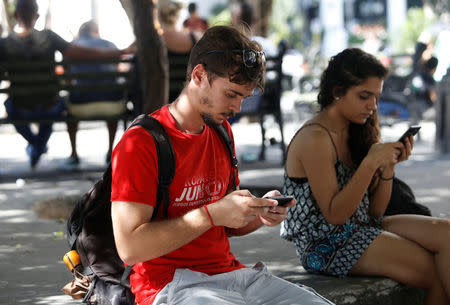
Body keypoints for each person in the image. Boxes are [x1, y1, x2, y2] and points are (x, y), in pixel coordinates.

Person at [110, 25, 334, 305]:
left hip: (236, 277)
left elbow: (224, 224)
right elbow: (129, 248)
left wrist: (258, 213)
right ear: (199, 75)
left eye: (243, 97)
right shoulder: (142, 142)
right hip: (171, 285)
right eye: (231, 94)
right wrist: (211, 214)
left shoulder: (220, 131)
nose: (238, 108)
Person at [280, 48, 450, 305]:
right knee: (432, 269)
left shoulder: (356, 127)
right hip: (325, 243)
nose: (373, 106)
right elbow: (335, 215)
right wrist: (370, 163)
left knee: (446, 233)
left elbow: (375, 213)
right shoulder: (315, 137)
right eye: (364, 96)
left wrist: (387, 169)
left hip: (360, 227)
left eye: (376, 97)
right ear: (338, 92)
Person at [0, 0, 130, 169]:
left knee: (10, 107)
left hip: (20, 107)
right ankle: (39, 146)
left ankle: (37, 146)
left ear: (15, 15)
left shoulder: (3, 44)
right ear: (37, 16)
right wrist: (121, 51)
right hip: (50, 105)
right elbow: (78, 53)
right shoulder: (48, 36)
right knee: (56, 103)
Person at [65, 20, 125, 166]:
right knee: (111, 92)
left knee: (69, 102)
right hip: (112, 105)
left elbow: (67, 80)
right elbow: (117, 72)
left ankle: (74, 153)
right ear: (96, 31)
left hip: (80, 106)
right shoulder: (110, 45)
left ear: (80, 33)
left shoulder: (72, 47)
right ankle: (110, 151)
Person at [158, 0, 202, 103]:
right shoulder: (194, 38)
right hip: (188, 99)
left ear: (159, 17)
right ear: (178, 17)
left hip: (163, 100)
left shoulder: (154, 41)